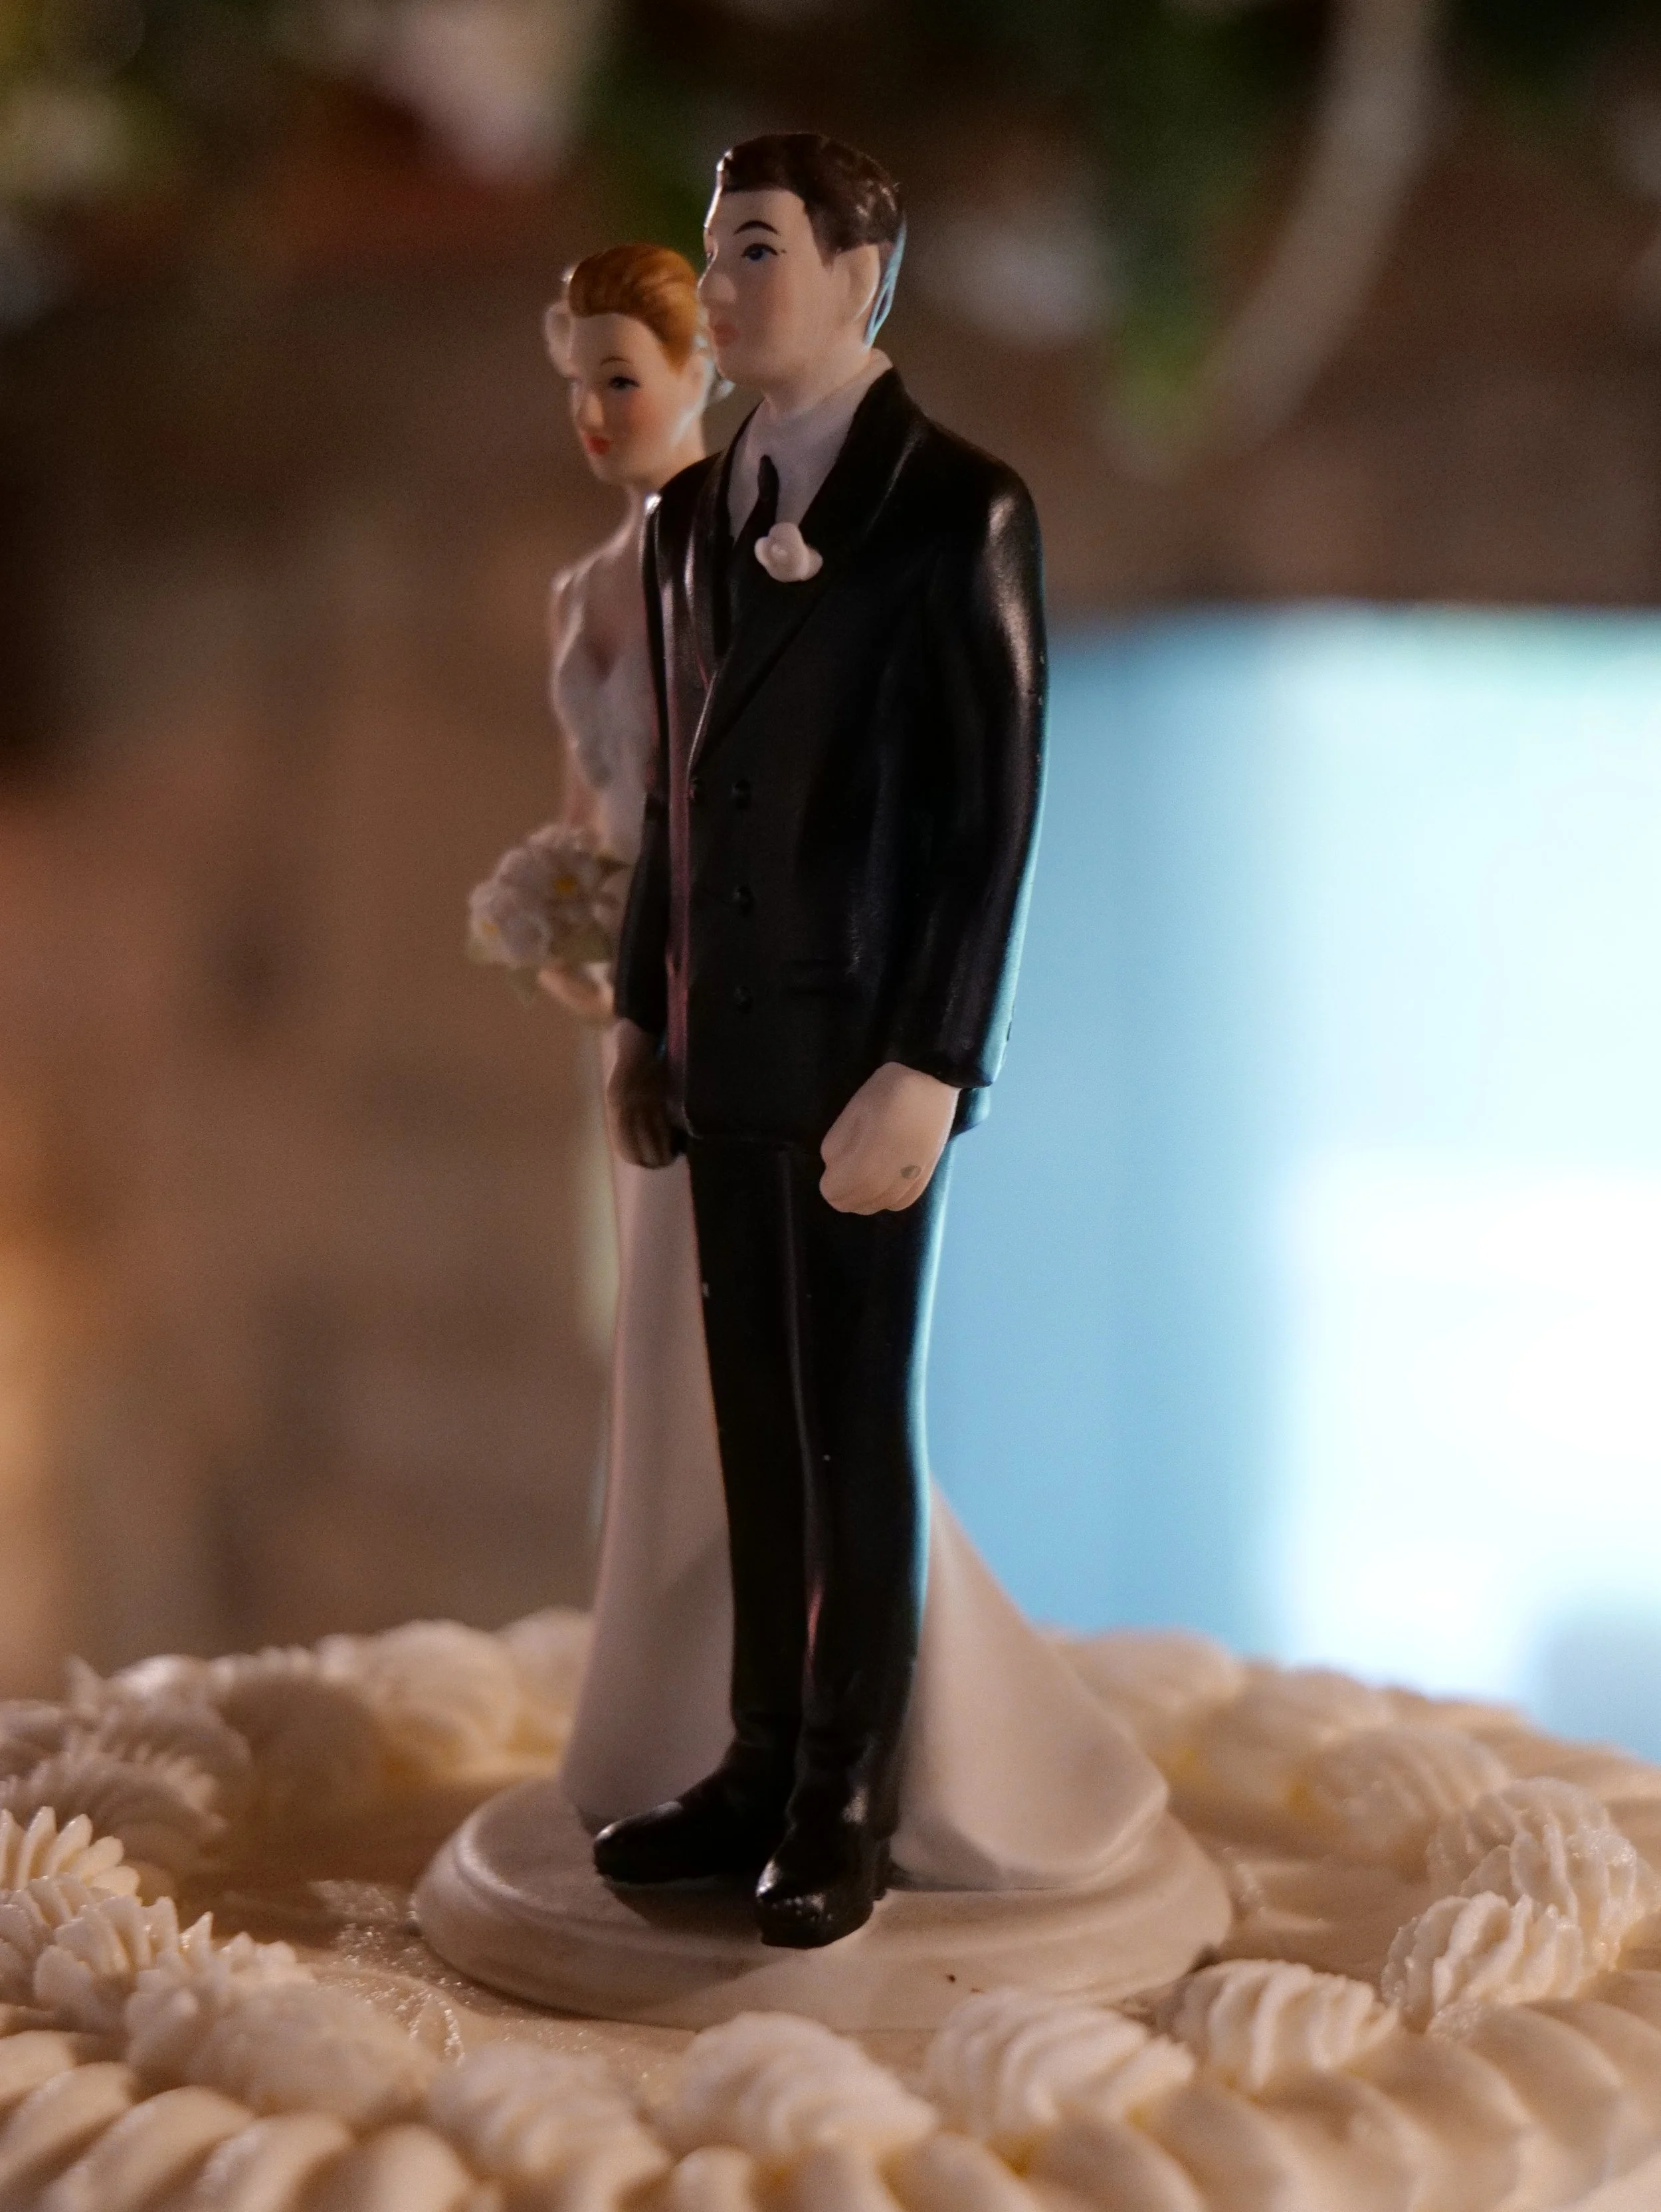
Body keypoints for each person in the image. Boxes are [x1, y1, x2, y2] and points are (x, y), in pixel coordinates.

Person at [597, 135, 1167, 1948]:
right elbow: (673, 806)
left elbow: (990, 818)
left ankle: (844, 1787)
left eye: (759, 250)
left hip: (859, 1062)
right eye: (714, 252)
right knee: (755, 1427)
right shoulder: (689, 521)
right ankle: (756, 1758)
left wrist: (932, 1062)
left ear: (861, 275)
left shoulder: (957, 509)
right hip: (724, 1057)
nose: (728, 288)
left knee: (853, 1430)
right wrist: (636, 1007)